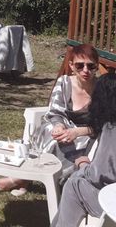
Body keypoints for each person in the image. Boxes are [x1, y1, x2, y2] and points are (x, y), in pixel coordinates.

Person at [0, 43, 98, 195]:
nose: (85, 70)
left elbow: (108, 123)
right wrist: (59, 126)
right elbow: (55, 110)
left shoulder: (102, 89)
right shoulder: (65, 82)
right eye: (80, 66)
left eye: (90, 66)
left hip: (90, 134)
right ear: (72, 66)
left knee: (75, 144)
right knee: (51, 132)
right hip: (65, 126)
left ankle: (22, 179)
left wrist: (78, 132)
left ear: (97, 67)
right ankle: (26, 177)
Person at [51, 72, 116, 227]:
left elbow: (100, 175)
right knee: (76, 180)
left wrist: (83, 165)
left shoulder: (111, 129)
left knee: (74, 185)